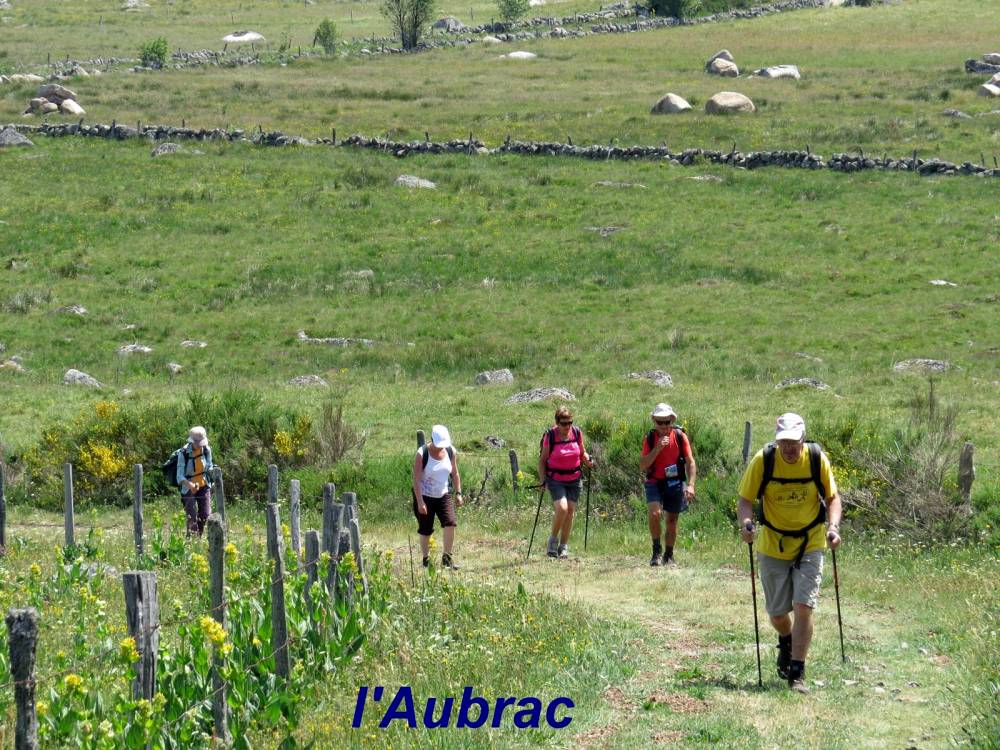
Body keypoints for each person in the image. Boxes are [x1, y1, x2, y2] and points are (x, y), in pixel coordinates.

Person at [737, 413, 842, 694]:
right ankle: (786, 638)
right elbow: (745, 500)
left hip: (811, 542)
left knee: (804, 606)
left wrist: (833, 528)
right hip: (773, 544)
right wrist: (746, 525)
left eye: (794, 443)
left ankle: (797, 672)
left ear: (803, 439)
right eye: (784, 442)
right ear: (777, 440)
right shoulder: (764, 460)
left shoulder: (816, 459)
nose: (789, 448)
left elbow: (832, 498)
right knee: (777, 613)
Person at [639, 403, 696, 567]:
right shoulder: (650, 439)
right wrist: (658, 448)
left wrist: (691, 485)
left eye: (667, 422)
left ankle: (668, 555)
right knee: (655, 514)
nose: (664, 426)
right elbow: (643, 465)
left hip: (675, 481)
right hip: (654, 481)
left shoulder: (680, 436)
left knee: (672, 520)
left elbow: (690, 462)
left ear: (672, 420)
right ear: (654, 421)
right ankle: (656, 551)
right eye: (660, 422)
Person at [538, 406, 592, 559]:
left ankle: (563, 547)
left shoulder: (576, 432)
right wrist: (542, 480)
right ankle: (552, 541)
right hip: (556, 479)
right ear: (557, 423)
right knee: (562, 509)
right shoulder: (550, 436)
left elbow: (582, 452)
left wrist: (588, 459)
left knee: (570, 512)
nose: (567, 426)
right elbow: (542, 461)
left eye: (570, 422)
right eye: (563, 423)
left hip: (574, 478)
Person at [412, 425, 463, 569]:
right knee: (426, 529)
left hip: (443, 494)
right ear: (432, 440)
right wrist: (420, 502)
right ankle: (426, 560)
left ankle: (447, 559)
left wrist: (458, 493)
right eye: (439, 444)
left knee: (450, 523)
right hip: (425, 495)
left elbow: (455, 473)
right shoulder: (422, 454)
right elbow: (416, 480)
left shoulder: (450, 451)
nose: (441, 447)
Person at [176, 426, 214, 537]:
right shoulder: (183, 453)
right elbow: (179, 477)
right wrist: (190, 485)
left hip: (204, 484)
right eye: (198, 442)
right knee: (191, 517)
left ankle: (198, 537)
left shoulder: (206, 449)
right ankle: (192, 540)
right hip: (188, 487)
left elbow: (209, 466)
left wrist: (214, 474)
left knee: (205, 514)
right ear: (192, 441)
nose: (200, 445)